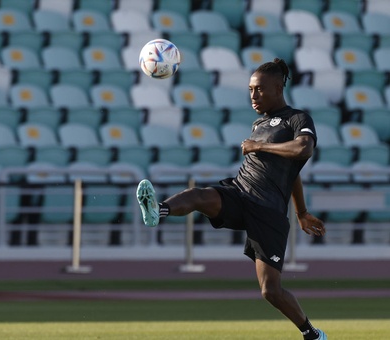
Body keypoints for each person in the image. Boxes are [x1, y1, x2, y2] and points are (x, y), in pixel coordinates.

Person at [136, 59, 327, 340]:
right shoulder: (259, 122)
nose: (253, 95)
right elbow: (288, 166)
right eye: (250, 89)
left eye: (259, 89)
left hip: (268, 211)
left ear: (277, 88)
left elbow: (302, 150)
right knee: (200, 195)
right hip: (240, 192)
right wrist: (301, 210)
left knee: (270, 291)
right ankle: (158, 210)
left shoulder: (297, 119)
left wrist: (300, 212)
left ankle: (311, 333)